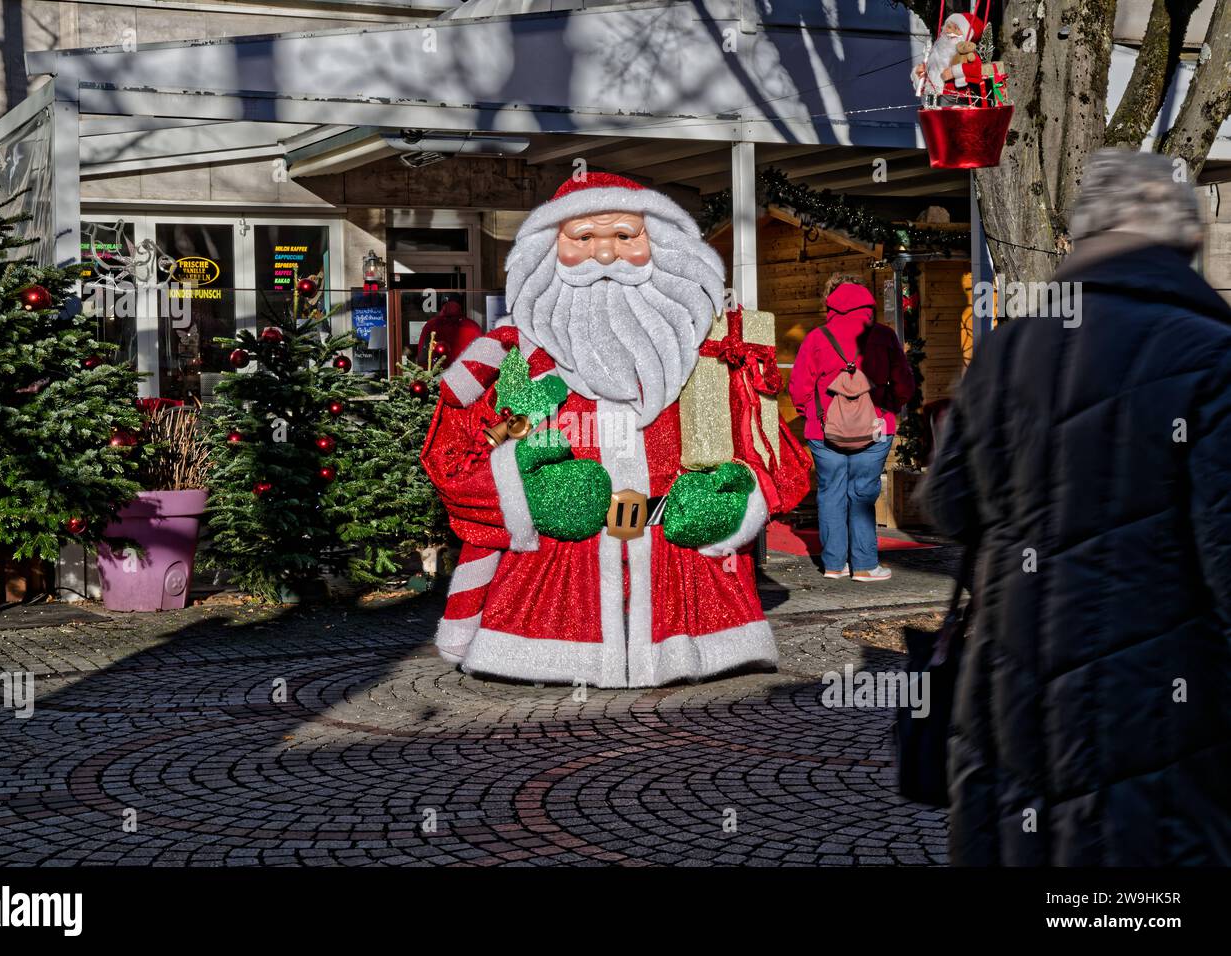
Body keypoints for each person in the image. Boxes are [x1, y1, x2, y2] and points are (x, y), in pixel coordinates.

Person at [925, 148, 1231, 865]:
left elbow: (948, 506)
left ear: (1082, 239)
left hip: (1010, 687)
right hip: (1160, 709)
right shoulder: (1213, 355)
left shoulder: (1008, 349)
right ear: (1186, 240)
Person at [420, 173, 807, 687]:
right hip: (551, 596)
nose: (606, 255)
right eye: (582, 238)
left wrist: (736, 501)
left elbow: (770, 451)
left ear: (661, 247)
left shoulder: (708, 351)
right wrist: (526, 493)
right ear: (548, 253)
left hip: (687, 597)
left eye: (626, 236)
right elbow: (452, 457)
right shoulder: (511, 360)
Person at [789, 275, 914, 582]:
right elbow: (905, 384)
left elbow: (798, 387)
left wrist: (814, 415)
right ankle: (865, 565)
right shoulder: (884, 336)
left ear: (831, 304)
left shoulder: (817, 338)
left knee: (831, 493)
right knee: (861, 494)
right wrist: (888, 408)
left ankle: (833, 564)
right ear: (868, 305)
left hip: (823, 431)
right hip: (873, 429)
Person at [416, 299, 481, 367]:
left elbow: (423, 355)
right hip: (465, 372)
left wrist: (425, 368)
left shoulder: (432, 325)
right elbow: (480, 352)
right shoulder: (472, 326)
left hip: (437, 371)